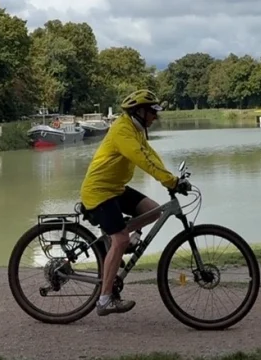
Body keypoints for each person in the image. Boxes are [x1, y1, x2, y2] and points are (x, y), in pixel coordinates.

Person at [79, 89, 190, 316]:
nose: (155, 117)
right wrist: (168, 181)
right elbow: (141, 160)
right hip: (99, 191)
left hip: (116, 188)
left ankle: (118, 239)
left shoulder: (136, 129)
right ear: (139, 111)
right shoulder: (122, 130)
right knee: (120, 239)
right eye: (152, 112)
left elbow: (150, 155)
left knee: (153, 211)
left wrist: (172, 178)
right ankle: (104, 300)